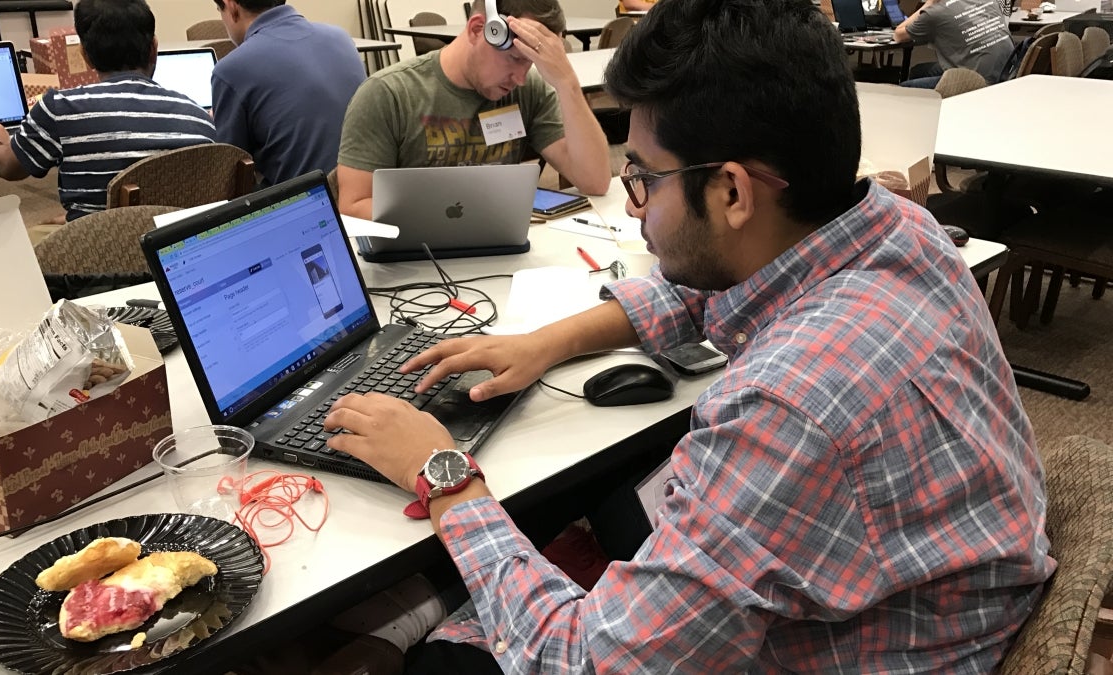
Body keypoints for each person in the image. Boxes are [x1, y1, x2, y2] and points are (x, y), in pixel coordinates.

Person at [323, 0, 1055, 671]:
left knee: (447, 661)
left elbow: (583, 661)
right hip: (941, 598)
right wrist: (544, 343)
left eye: (642, 176)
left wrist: (444, 476)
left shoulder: (788, 404)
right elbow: (708, 290)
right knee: (619, 483)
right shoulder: (897, 227)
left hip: (856, 648)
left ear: (733, 191)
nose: (635, 206)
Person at [336, 0, 610, 220]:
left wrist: (567, 83)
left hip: (498, 254)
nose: (520, 78)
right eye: (514, 58)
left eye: (530, 63)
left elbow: (595, 182)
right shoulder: (388, 95)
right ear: (479, 29)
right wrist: (441, 222)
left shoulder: (528, 91)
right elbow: (353, 206)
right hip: (415, 259)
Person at [0, 0, 216, 222]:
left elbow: (8, 167)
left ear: (85, 55)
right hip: (174, 256)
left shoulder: (60, 108)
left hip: (93, 258)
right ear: (154, 49)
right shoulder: (199, 117)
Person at [212, 0, 366, 185]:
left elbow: (230, 173)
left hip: (304, 204)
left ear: (231, 6)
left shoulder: (230, 70)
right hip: (365, 194)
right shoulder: (341, 37)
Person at [895, 0, 1014, 87]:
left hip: (979, 82)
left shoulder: (935, 13)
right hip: (1008, 72)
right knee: (919, 71)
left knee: (905, 88)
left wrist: (929, 3)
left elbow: (898, 35)